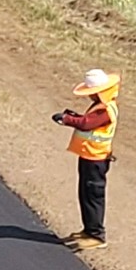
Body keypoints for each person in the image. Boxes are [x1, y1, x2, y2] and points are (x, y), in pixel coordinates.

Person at [52, 68, 119, 247]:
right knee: (85, 193)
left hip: (96, 159)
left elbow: (86, 124)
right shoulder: (100, 105)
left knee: (93, 195)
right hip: (89, 155)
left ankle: (96, 235)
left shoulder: (105, 109)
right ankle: (88, 229)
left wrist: (66, 119)